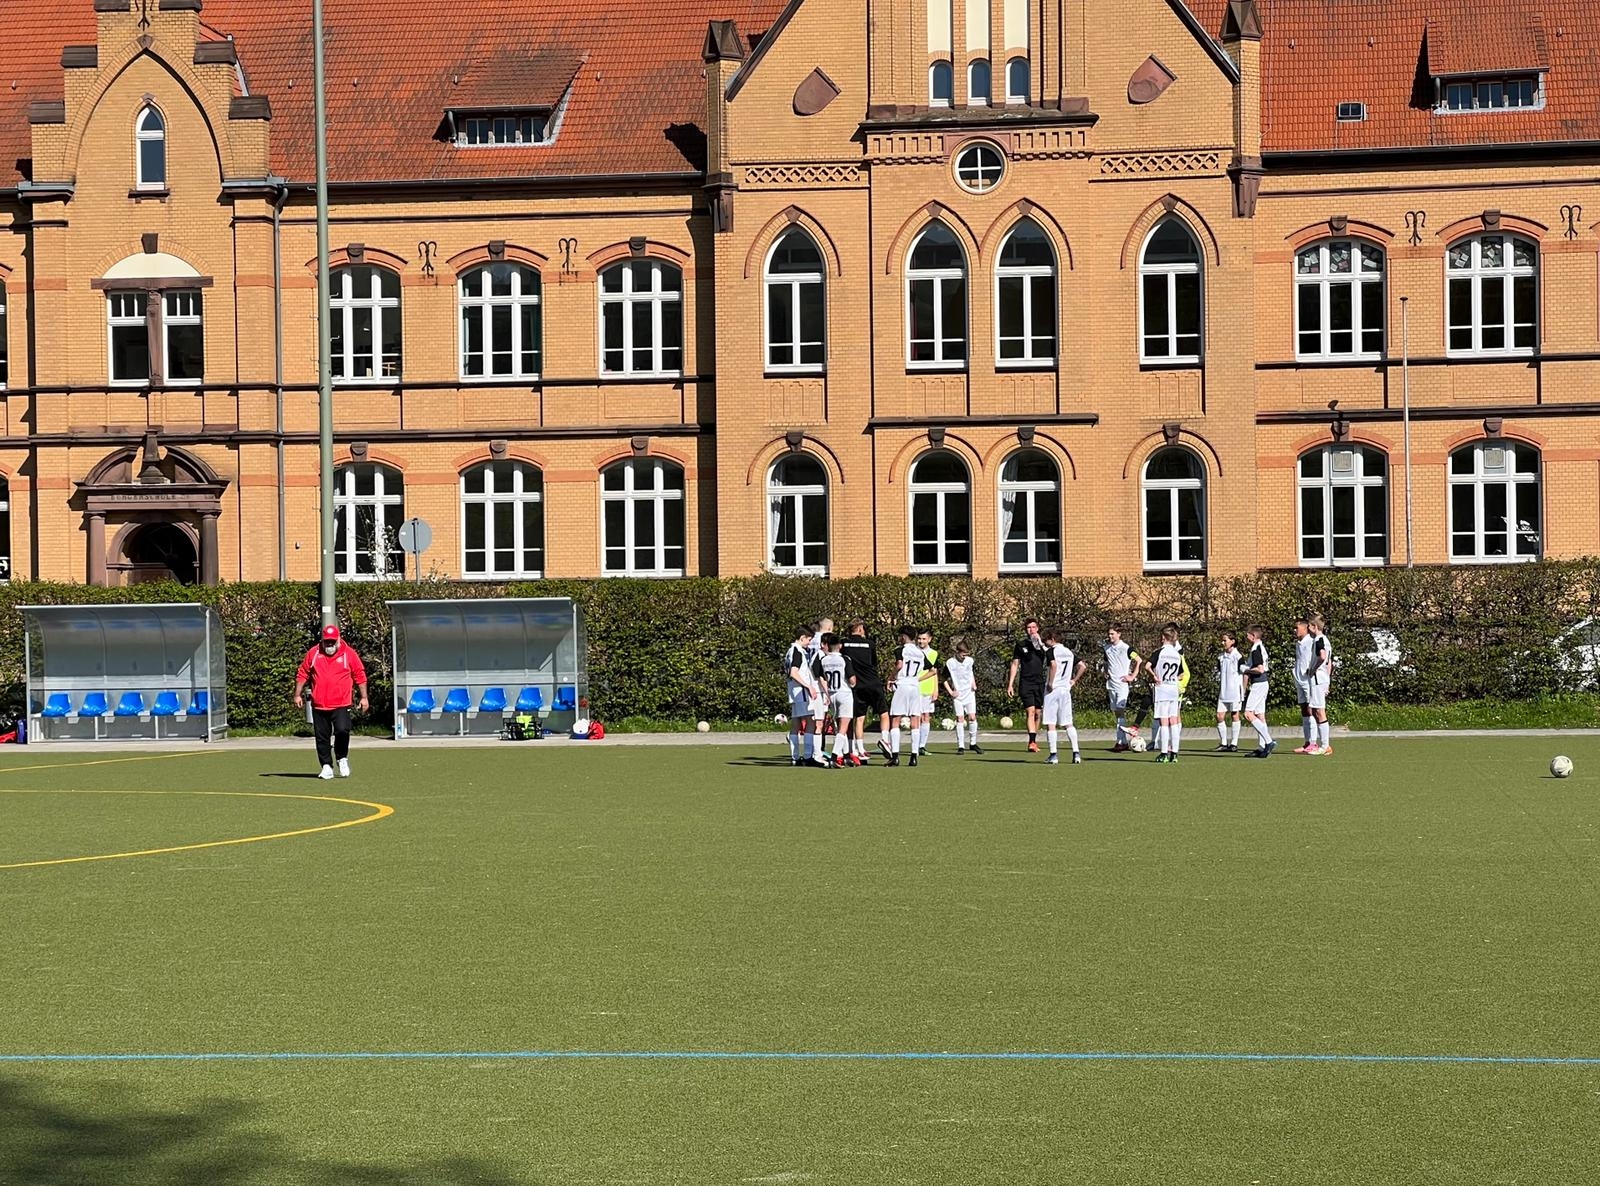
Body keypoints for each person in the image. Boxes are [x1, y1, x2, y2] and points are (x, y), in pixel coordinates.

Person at [293, 624, 369, 780]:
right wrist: (297, 694)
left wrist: (364, 697)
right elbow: (303, 673)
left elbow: (359, 675)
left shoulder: (349, 654)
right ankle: (326, 766)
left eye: (332, 641)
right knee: (322, 737)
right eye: (326, 641)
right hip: (319, 704)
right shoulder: (313, 653)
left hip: (341, 703)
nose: (329, 645)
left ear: (338, 640)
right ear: (322, 640)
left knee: (342, 730)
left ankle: (342, 758)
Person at [841, 620, 889, 764]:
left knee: (860, 718)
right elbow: (874, 663)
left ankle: (860, 749)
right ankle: (885, 740)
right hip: (873, 683)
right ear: (861, 629)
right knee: (884, 713)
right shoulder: (870, 644)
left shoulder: (844, 644)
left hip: (857, 685)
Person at [1042, 626, 1086, 765]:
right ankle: (1076, 753)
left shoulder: (1051, 651)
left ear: (1052, 639)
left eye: (1046, 640)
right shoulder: (1069, 652)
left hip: (1053, 690)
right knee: (1068, 723)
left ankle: (1053, 755)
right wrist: (1073, 680)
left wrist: (1050, 682)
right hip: (1065, 690)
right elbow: (1083, 666)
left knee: (1051, 723)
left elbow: (1053, 666)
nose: (1045, 643)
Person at [813, 633, 858, 768]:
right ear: (839, 646)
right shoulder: (845, 659)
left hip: (832, 694)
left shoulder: (824, 660)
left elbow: (821, 677)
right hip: (844, 693)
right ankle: (834, 757)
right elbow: (852, 680)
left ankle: (844, 756)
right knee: (843, 728)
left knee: (839, 726)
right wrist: (853, 684)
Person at [1006, 618, 1049, 752]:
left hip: (1040, 682)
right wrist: (1010, 684)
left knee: (1037, 713)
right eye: (1029, 627)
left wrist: (1040, 643)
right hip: (1026, 682)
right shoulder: (1021, 644)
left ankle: (1034, 740)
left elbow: (1051, 656)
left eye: (1034, 627)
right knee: (1029, 711)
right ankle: (1031, 741)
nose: (1031, 630)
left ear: (1038, 628)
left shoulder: (1043, 646)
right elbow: (1015, 664)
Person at [784, 623, 823, 767]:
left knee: (795, 723)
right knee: (810, 722)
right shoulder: (797, 651)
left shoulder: (790, 651)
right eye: (808, 640)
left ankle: (795, 757)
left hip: (793, 692)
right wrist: (808, 686)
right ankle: (807, 755)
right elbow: (794, 672)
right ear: (802, 638)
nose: (809, 643)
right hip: (801, 692)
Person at [887, 625, 926, 767]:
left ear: (903, 636)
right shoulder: (920, 652)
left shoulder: (900, 650)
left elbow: (899, 664)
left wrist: (891, 677)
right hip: (915, 686)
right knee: (915, 720)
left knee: (895, 719)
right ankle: (914, 756)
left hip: (903, 684)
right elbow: (931, 669)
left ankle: (895, 756)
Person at [1146, 624, 1185, 764]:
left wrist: (1155, 676)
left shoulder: (1159, 652)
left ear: (1163, 637)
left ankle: (1163, 753)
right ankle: (1174, 754)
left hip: (1162, 689)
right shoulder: (1177, 654)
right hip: (1173, 689)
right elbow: (1181, 674)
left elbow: (1147, 666)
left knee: (1164, 721)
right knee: (1173, 720)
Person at [1103, 626, 1140, 751]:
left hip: (1122, 685)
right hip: (1111, 685)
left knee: (1120, 710)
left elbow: (1139, 660)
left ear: (1119, 634)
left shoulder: (1127, 648)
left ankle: (1121, 741)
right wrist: (1105, 672)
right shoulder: (1106, 648)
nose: (1110, 636)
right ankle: (1122, 741)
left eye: (1112, 634)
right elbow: (1106, 662)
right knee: (1117, 713)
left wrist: (1132, 676)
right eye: (1109, 634)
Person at [1241, 625, 1276, 758]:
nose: (1246, 637)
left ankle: (1268, 741)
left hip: (1259, 683)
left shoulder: (1256, 649)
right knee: (1260, 715)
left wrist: (1246, 670)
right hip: (1262, 683)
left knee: (1248, 714)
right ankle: (1262, 747)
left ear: (1253, 636)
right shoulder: (1260, 647)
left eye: (1248, 635)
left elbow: (1260, 669)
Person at [943, 640, 982, 754]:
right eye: (963, 654)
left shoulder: (970, 661)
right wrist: (951, 692)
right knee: (960, 719)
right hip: (958, 696)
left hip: (969, 693)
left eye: (967, 654)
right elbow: (943, 679)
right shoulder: (950, 663)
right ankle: (961, 746)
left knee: (972, 717)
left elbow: (970, 673)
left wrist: (973, 684)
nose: (965, 656)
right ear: (958, 652)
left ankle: (973, 743)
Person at [1306, 613, 1333, 755]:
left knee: (1319, 711)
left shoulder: (1319, 640)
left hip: (1317, 678)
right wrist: (1327, 681)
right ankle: (1321, 744)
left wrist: (1313, 668)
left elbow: (1322, 657)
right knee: (1315, 710)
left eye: (1309, 626)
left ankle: (1325, 746)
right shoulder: (1325, 640)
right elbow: (1330, 663)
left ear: (1313, 627)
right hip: (1322, 679)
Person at [1215, 630, 1245, 752]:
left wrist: (1243, 688)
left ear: (1232, 641)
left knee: (1235, 714)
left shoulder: (1238, 657)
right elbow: (1217, 672)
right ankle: (1223, 743)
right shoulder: (1221, 657)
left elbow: (1243, 671)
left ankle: (1234, 743)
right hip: (1223, 691)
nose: (1223, 642)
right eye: (1222, 640)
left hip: (1234, 692)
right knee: (1219, 716)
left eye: (1225, 640)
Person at [1292, 617, 1317, 754]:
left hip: (1308, 681)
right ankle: (1307, 741)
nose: (1295, 630)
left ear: (1305, 627)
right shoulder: (1299, 643)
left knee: (1311, 709)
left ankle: (1313, 742)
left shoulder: (1311, 642)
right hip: (1299, 679)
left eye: (1297, 628)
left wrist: (1310, 670)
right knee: (1304, 710)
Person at [916, 629, 940, 755]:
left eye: (924, 639)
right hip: (916, 689)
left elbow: (935, 672)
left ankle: (922, 746)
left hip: (928, 689)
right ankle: (915, 745)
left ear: (929, 639)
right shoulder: (913, 652)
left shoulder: (934, 653)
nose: (921, 641)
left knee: (926, 717)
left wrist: (935, 689)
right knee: (917, 717)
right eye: (919, 638)